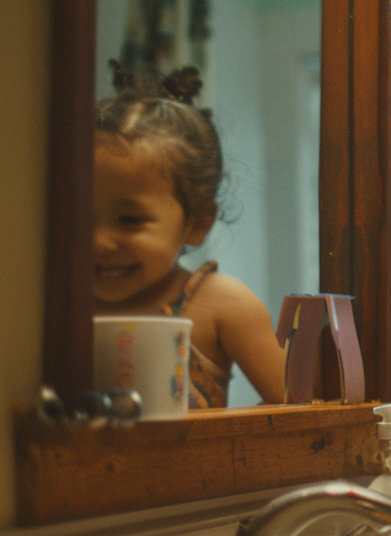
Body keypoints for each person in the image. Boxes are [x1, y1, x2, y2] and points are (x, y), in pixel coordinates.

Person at [94, 63, 287, 408]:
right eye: (79, 217)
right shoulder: (51, 306)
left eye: (129, 219)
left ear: (197, 223)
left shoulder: (222, 306)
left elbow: (297, 411)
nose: (98, 241)